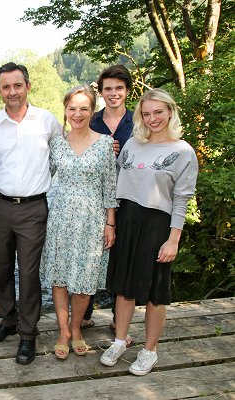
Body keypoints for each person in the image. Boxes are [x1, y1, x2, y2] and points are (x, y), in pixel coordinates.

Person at [100, 88, 198, 376]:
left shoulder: (182, 151)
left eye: (158, 112)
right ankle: (120, 341)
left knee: (156, 292)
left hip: (158, 224)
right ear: (140, 116)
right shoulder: (132, 144)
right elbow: (115, 180)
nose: (153, 118)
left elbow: (181, 199)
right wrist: (112, 223)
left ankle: (149, 350)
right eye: (146, 113)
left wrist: (173, 239)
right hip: (127, 218)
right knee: (123, 286)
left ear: (170, 112)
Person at [0, 62, 62, 365]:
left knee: (29, 273)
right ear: (0, 90)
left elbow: (61, 159)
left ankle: (28, 333)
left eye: (17, 85)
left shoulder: (47, 121)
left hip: (33, 208)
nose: (12, 92)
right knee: (1, 268)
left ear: (28, 86)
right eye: (6, 87)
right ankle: (8, 320)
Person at [41, 85, 117, 360]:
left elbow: (110, 186)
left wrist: (110, 224)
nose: (77, 113)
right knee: (60, 277)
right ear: (65, 110)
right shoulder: (56, 143)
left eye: (84, 108)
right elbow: (43, 176)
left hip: (92, 219)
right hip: (60, 217)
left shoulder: (106, 144)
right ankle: (62, 331)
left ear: (92, 110)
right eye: (72, 108)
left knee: (84, 279)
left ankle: (76, 329)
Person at [84, 65, 135, 345]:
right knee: (92, 254)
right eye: (108, 89)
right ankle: (85, 312)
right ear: (101, 92)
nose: (113, 94)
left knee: (122, 256)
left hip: (129, 197)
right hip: (94, 198)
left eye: (118, 88)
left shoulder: (138, 121)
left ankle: (119, 320)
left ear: (127, 91)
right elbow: (77, 147)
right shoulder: (91, 120)